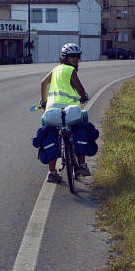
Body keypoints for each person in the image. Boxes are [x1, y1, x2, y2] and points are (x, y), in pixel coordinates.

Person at [40, 43, 91, 183]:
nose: (76, 59)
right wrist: (83, 97)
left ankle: (52, 172)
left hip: (52, 111)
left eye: (78, 56)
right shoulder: (70, 70)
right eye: (73, 56)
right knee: (80, 129)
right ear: (65, 57)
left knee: (51, 134)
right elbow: (80, 89)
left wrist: (44, 102)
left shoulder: (55, 69)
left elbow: (43, 83)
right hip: (70, 111)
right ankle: (82, 165)